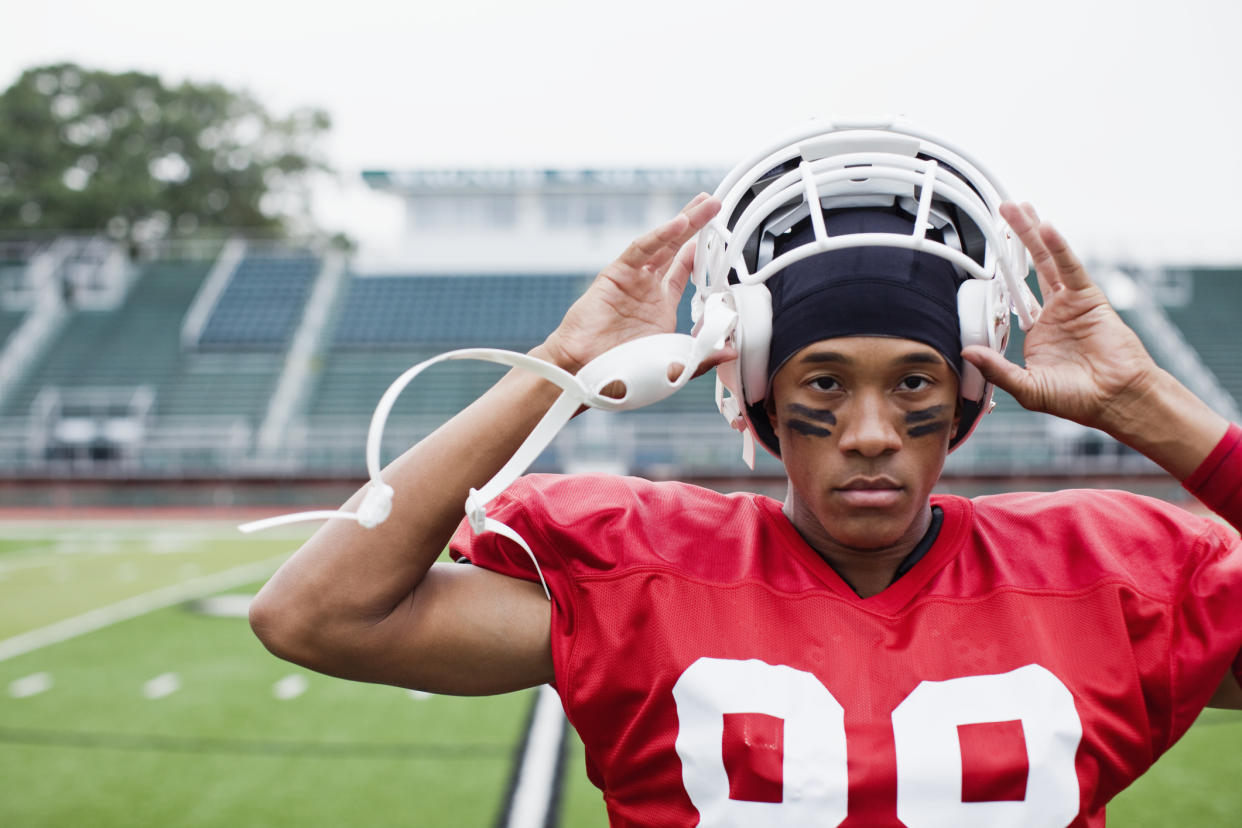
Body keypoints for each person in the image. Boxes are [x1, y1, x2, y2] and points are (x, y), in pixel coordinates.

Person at [248, 123, 1242, 827]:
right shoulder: (647, 578)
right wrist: (555, 368)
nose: (867, 432)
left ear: (972, 389)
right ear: (758, 394)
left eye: (912, 382)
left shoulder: (1108, 577)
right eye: (823, 382)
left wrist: (1146, 403)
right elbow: (315, 616)